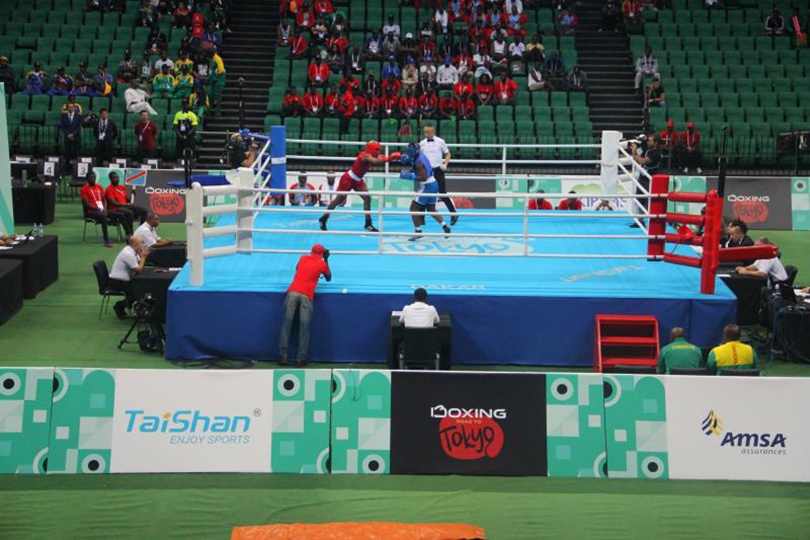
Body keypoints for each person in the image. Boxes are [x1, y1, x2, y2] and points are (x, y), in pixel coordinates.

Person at [318, 141, 400, 232]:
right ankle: (324, 218)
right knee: (338, 200)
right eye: (376, 149)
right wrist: (390, 158)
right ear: (371, 149)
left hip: (357, 180)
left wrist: (396, 157)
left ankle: (368, 223)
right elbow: (376, 161)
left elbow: (380, 157)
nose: (378, 151)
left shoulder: (372, 155)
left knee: (367, 198)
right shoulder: (365, 156)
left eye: (378, 150)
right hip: (348, 179)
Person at [278, 244, 332, 366]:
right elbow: (329, 277)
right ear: (322, 254)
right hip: (307, 296)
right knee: (304, 329)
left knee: (286, 326)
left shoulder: (303, 258)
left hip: (292, 292)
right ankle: (301, 359)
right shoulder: (322, 264)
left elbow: (297, 268)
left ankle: (282, 356)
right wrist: (326, 259)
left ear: (311, 251)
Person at [398, 143, 451, 241]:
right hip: (433, 183)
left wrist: (409, 176)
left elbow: (423, 177)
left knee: (413, 207)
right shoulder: (421, 155)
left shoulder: (418, 162)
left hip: (427, 185)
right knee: (431, 208)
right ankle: (445, 226)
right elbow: (420, 169)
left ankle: (418, 231)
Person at [419, 125, 458, 225]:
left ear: (433, 131)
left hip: (438, 170)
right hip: (427, 171)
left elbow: (448, 154)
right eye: (425, 132)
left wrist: (445, 164)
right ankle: (421, 217)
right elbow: (419, 157)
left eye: (429, 132)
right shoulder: (422, 143)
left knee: (442, 193)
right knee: (424, 193)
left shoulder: (441, 141)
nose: (427, 134)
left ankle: (454, 214)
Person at [109, 235, 149, 319]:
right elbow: (139, 269)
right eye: (142, 243)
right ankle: (119, 306)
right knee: (138, 291)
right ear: (136, 244)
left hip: (124, 280)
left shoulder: (133, 251)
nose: (143, 245)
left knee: (140, 288)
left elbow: (139, 263)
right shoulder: (128, 254)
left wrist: (141, 256)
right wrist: (144, 257)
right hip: (117, 282)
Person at [81, 172, 117, 248]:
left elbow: (104, 200)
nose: (93, 179)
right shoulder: (84, 189)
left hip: (101, 210)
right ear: (87, 179)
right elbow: (86, 204)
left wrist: (105, 208)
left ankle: (128, 235)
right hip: (91, 211)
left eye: (94, 177)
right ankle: (106, 239)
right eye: (91, 178)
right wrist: (97, 209)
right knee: (103, 216)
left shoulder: (99, 187)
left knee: (117, 213)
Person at [59, 103, 83, 167]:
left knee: (77, 154)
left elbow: (79, 127)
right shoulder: (63, 116)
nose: (70, 108)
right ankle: (67, 169)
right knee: (67, 154)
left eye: (72, 107)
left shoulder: (78, 116)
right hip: (67, 138)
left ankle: (77, 168)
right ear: (67, 108)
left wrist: (73, 134)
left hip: (76, 137)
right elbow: (62, 127)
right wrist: (68, 134)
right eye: (69, 107)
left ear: (74, 108)